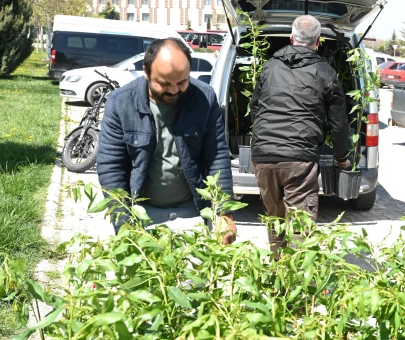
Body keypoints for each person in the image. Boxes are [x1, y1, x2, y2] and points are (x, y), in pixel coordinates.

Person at [96, 38, 236, 243]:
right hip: (142, 214)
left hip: (194, 212)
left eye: (182, 82)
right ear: (146, 71)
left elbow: (217, 155)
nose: (173, 90)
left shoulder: (204, 98)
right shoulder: (121, 103)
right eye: (164, 83)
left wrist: (224, 212)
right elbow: (111, 167)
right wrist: (125, 226)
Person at [250, 15, 350, 257]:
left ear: (291, 38)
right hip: (299, 159)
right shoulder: (324, 72)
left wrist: (263, 140)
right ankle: (296, 278)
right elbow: (339, 123)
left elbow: (255, 109)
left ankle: (278, 272)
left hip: (263, 156)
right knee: (300, 227)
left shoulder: (270, 67)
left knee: (275, 221)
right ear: (318, 42)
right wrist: (341, 158)